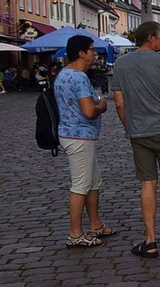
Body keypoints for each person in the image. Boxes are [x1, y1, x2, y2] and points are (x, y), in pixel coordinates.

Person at [111, 21, 160, 258]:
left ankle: (150, 241)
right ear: (150, 39)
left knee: (147, 184)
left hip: (139, 132)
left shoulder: (121, 64)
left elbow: (119, 102)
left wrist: (130, 125)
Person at [53, 35, 116, 248]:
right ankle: (75, 233)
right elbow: (89, 111)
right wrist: (102, 106)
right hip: (78, 135)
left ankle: (96, 225)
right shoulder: (78, 77)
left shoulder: (64, 74)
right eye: (91, 49)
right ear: (81, 53)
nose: (94, 53)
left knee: (93, 181)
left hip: (74, 134)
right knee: (80, 184)